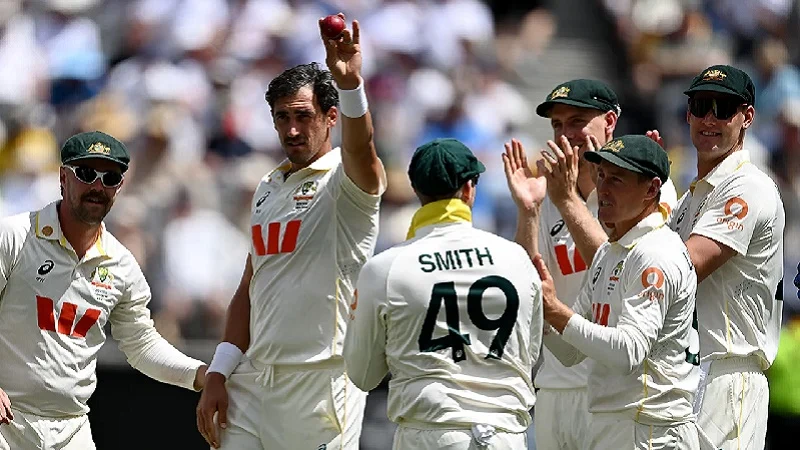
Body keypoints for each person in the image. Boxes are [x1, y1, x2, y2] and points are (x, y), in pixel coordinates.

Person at [195, 14, 386, 450]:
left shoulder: (346, 182)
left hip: (322, 383)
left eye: (303, 116)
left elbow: (362, 148)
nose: (292, 129)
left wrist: (351, 85)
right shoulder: (268, 185)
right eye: (282, 118)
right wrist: (220, 370)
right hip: (255, 380)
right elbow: (251, 283)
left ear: (331, 116)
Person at [0, 130, 208, 450]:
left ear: (119, 187)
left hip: (71, 430)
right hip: (6, 423)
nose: (97, 187)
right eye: (86, 173)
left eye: (109, 178)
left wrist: (202, 374)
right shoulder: (14, 236)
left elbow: (141, 344)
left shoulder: (121, 265)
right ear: (63, 178)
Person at [503, 79, 678, 450]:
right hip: (556, 380)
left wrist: (567, 200)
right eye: (557, 124)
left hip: (617, 388)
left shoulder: (641, 188)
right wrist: (529, 212)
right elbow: (528, 288)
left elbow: (619, 265)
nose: (565, 135)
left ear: (609, 122)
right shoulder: (548, 189)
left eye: (577, 122)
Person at [344, 138, 543, 449]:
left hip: (430, 433)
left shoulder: (384, 268)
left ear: (416, 189)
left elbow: (363, 375)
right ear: (469, 189)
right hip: (506, 435)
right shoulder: (516, 257)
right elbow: (529, 354)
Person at [532, 135, 701, 449]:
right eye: (601, 176)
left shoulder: (654, 253)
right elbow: (570, 353)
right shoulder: (609, 253)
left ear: (651, 189)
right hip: (616, 423)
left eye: (617, 179)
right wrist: (542, 310)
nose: (603, 189)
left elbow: (628, 353)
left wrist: (556, 310)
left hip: (650, 428)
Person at [666, 65, 785, 450]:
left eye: (724, 108)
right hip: (688, 371)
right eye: (702, 106)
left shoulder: (748, 186)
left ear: (747, 116)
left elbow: (681, 270)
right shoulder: (690, 200)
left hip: (729, 376)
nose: (710, 119)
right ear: (689, 114)